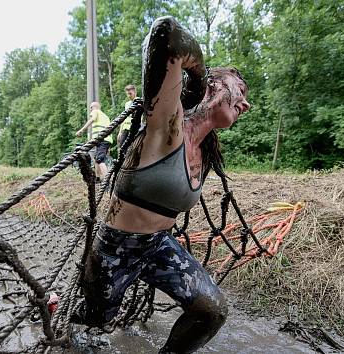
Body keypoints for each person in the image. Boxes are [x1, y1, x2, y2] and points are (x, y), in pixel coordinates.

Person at [78, 16, 251, 353]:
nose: (246, 103)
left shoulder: (204, 152)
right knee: (89, 335)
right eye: (240, 90)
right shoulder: (168, 125)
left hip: (157, 246)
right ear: (214, 86)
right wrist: (198, 77)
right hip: (114, 250)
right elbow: (166, 33)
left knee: (211, 311)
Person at [76, 101, 113, 180]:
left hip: (102, 140)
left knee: (100, 160)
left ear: (96, 107)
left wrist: (81, 130)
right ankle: (97, 178)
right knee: (96, 160)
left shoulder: (96, 112)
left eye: (91, 107)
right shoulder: (106, 117)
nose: (90, 109)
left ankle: (107, 181)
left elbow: (92, 119)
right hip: (106, 140)